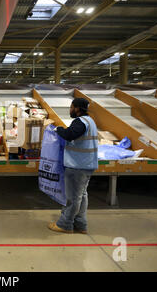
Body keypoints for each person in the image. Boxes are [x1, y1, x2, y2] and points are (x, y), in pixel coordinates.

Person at [48, 98, 98, 234]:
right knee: (82, 195)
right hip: (87, 164)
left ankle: (65, 224)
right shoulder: (91, 121)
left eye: (71, 107)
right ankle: (81, 225)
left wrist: (58, 129)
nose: (70, 109)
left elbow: (70, 135)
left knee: (73, 198)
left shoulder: (80, 122)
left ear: (77, 108)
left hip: (77, 165)